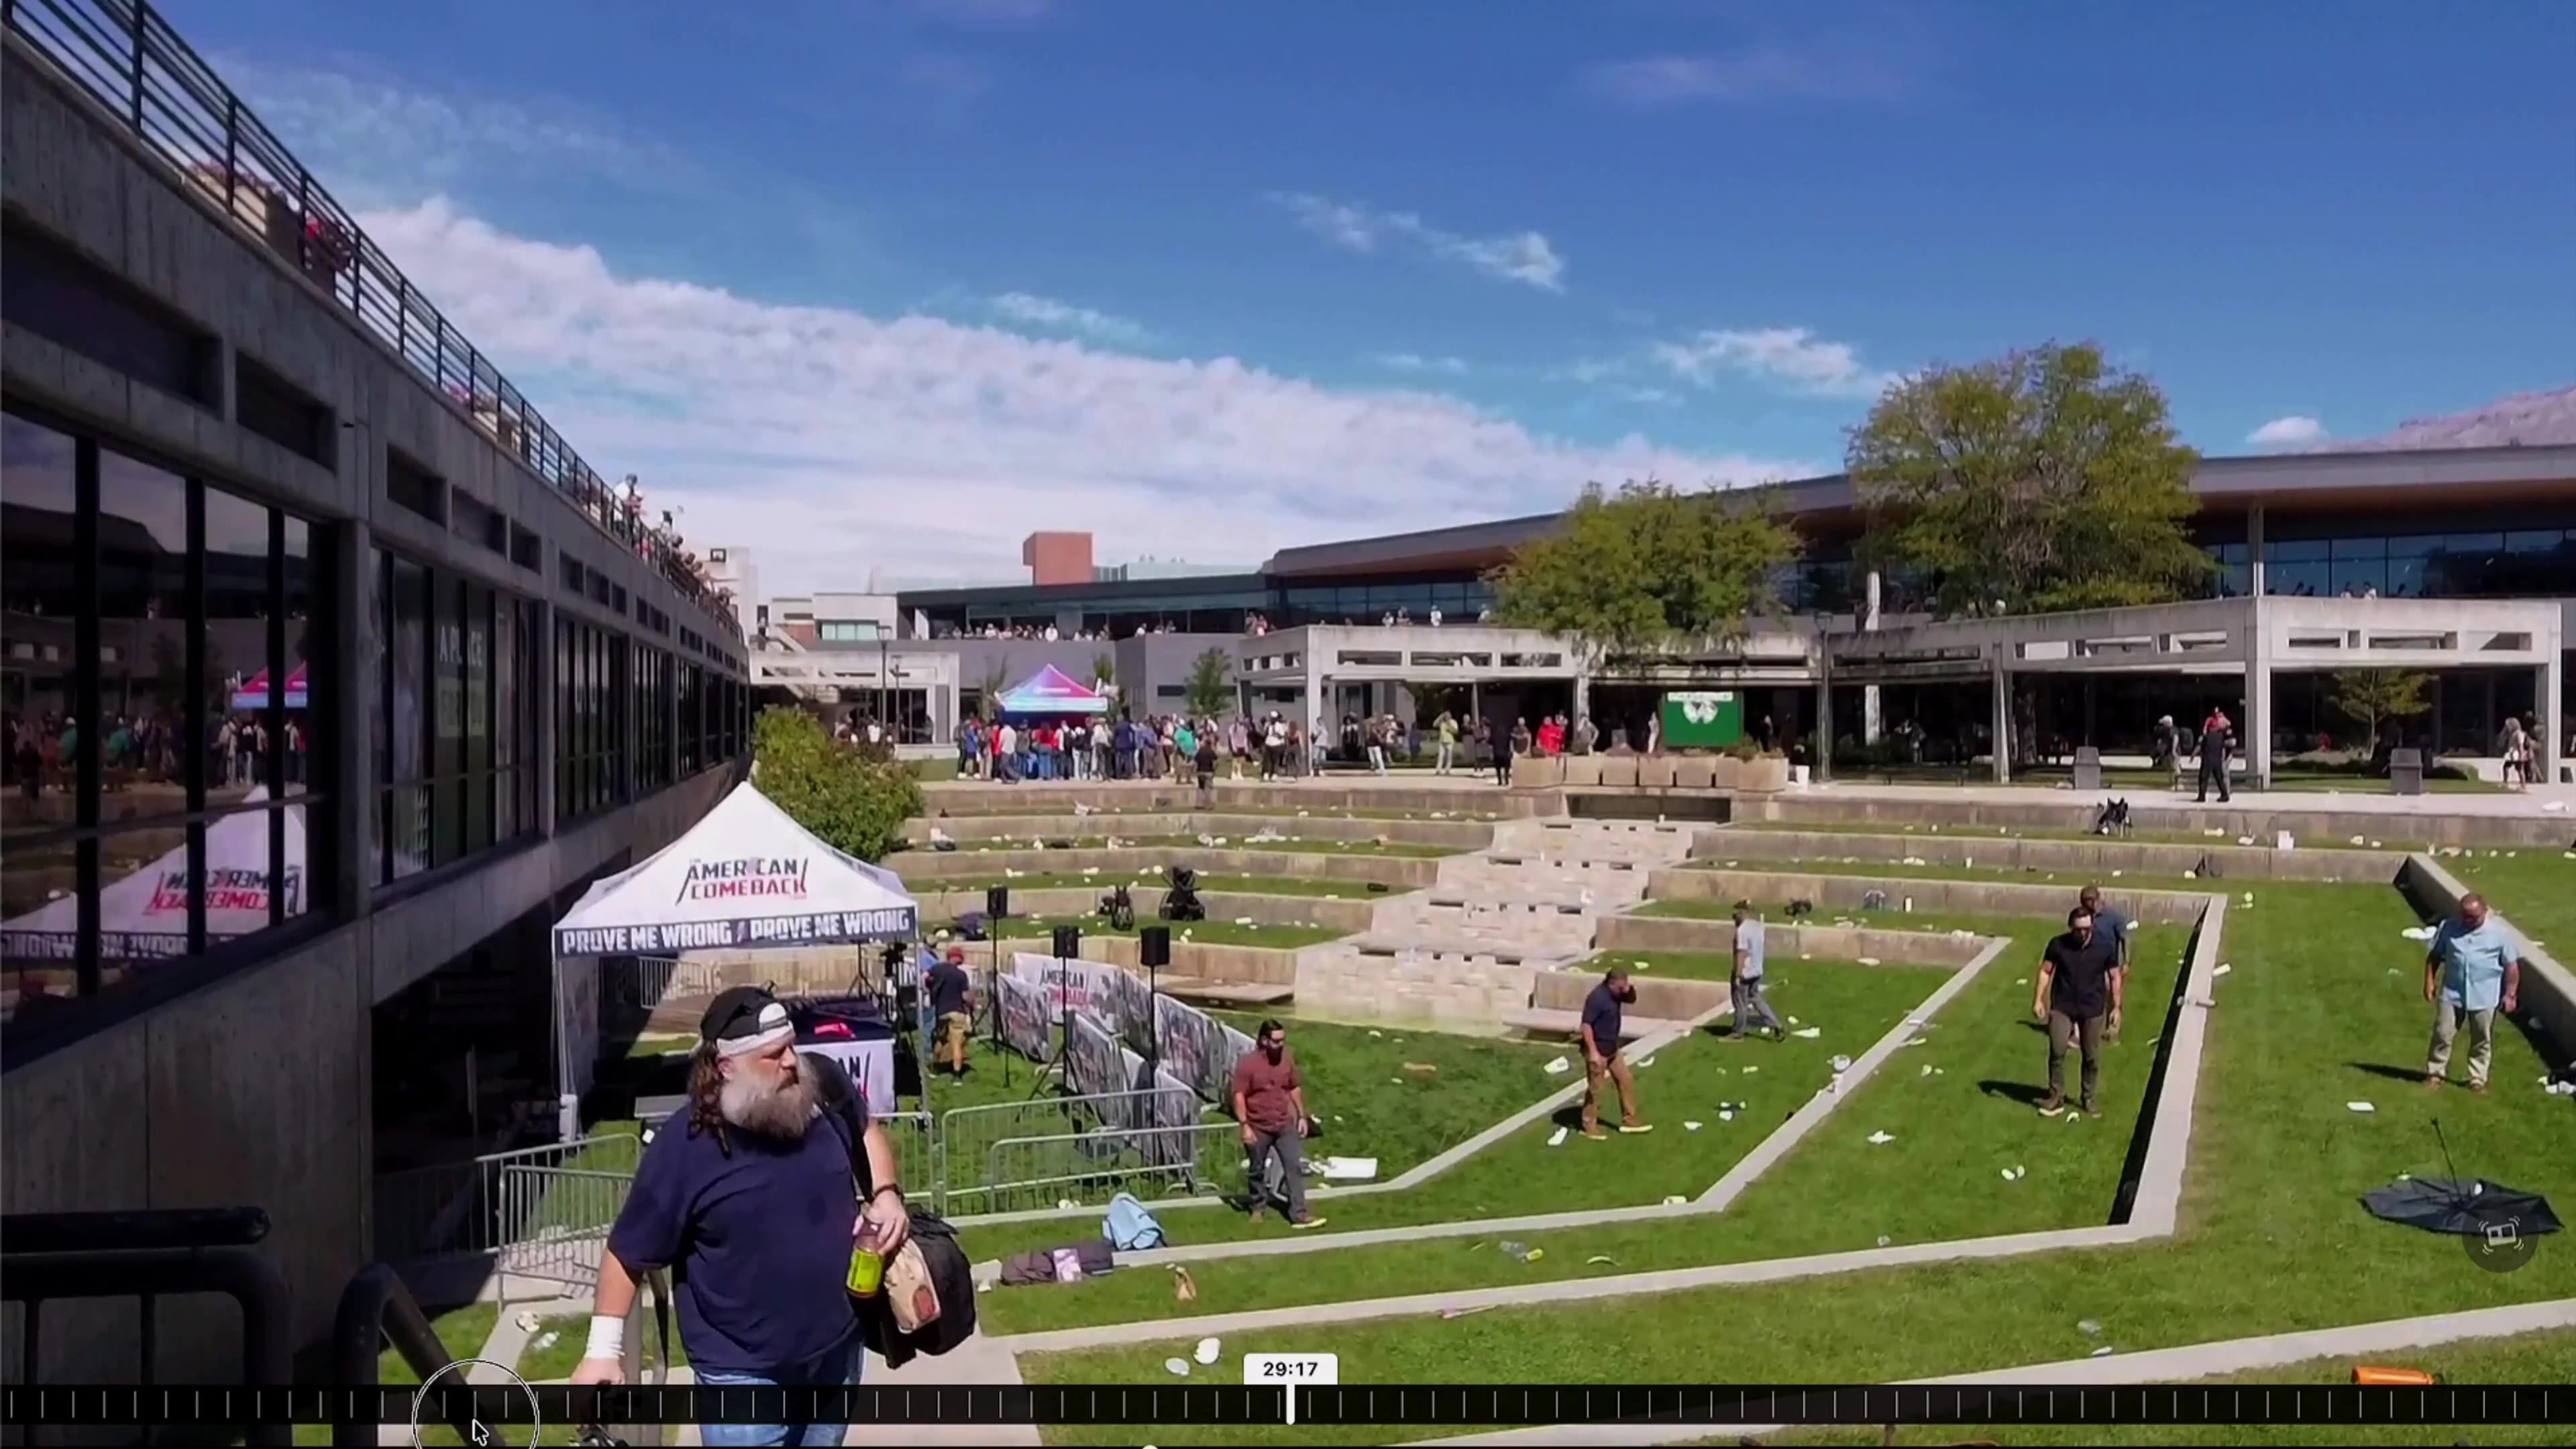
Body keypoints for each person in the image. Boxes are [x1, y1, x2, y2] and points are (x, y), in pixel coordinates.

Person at [574, 987, 911, 1448]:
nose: (793, 1061)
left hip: (837, 1352)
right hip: (743, 1378)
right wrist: (601, 1353)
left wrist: (886, 1193)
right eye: (774, 1055)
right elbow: (626, 1253)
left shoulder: (820, 1085)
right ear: (726, 1066)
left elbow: (865, 1126)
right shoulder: (683, 1148)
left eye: (792, 1046)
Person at [2423, 892, 2524, 1093]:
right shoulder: (2449, 928)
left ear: (2484, 912)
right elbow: (2434, 956)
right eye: (2465, 916)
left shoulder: (2500, 934)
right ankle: (2435, 1072)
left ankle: (2477, 1078)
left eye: (2474, 917)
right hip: (2453, 992)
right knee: (2443, 1033)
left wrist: (2510, 994)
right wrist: (2429, 982)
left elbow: (2512, 967)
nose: (2468, 921)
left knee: (2481, 1038)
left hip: (2484, 995)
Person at [1230, 1018, 1326, 1229]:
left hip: (1284, 1124)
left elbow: (1294, 1088)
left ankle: (1299, 1214)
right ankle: (1258, 1206)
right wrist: (1244, 1125)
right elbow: (1239, 1095)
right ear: (1264, 1040)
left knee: (1293, 1167)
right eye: (1276, 1041)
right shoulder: (1248, 1064)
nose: (1281, 1045)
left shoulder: (1287, 1059)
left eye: (1283, 1040)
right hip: (1257, 1125)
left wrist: (1302, 1117)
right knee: (1257, 1169)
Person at [2033, 906, 2122, 1118]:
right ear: (2071, 927)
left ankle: (2088, 1098)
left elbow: (2114, 975)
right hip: (2062, 1006)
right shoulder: (2058, 945)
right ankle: (2056, 1096)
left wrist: (2116, 1007)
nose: (2082, 933)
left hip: (2092, 1008)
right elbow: (2046, 971)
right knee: (2058, 1050)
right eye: (2078, 929)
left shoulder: (2104, 946)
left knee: (2091, 1056)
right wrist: (2038, 999)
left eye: (2087, 929)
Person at [1578, 968, 1651, 1138]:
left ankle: (1630, 1119)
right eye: (1621, 987)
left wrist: (1629, 989)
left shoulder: (1617, 993)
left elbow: (1631, 1000)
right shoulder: (1597, 998)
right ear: (1611, 984)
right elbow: (1586, 1026)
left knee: (1626, 1079)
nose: (1623, 990)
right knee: (1597, 1088)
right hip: (1598, 1050)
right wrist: (1593, 1053)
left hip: (1612, 1048)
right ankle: (1589, 1123)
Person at [2076, 885, 2132, 1040]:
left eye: (2089, 901)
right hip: (2091, 963)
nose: (2087, 904)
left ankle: (2113, 1030)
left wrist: (2126, 961)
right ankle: (2089, 1028)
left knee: (2113, 996)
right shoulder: (2085, 917)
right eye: (2084, 901)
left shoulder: (2112, 916)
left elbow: (2125, 938)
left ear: (2097, 899)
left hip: (2111, 963)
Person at [1727, 901, 1784, 1040]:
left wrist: (1737, 975)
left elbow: (1742, 953)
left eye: (1735, 914)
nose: (1733, 918)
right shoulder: (1758, 926)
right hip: (1757, 970)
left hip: (1745, 972)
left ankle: (1738, 1033)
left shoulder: (1742, 931)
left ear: (1742, 912)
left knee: (1740, 1002)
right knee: (1756, 998)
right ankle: (1777, 1025)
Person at [926, 947, 975, 1078]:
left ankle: (934, 1069)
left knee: (940, 1041)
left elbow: (924, 977)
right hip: (957, 1012)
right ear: (957, 958)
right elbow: (965, 997)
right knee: (957, 1045)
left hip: (942, 1012)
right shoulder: (961, 975)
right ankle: (957, 1076)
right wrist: (972, 1003)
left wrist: (927, 989)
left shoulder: (938, 968)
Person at [2196, 707, 2233, 803]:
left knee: (2203, 778)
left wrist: (2193, 756)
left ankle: (2202, 796)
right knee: (2219, 778)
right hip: (2217, 760)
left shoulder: (2206, 737)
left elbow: (2200, 747)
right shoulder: (2220, 737)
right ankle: (2224, 795)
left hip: (2207, 759)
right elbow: (2227, 745)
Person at [1434, 709, 1458, 775]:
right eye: (1445, 716)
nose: (1446, 717)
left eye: (1448, 715)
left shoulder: (1453, 722)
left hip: (1450, 741)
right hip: (1442, 741)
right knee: (1441, 756)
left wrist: (1449, 726)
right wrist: (1440, 717)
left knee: (1449, 756)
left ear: (1450, 716)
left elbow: (1456, 732)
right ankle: (1438, 769)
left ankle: (1447, 769)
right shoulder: (1442, 722)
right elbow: (1434, 724)